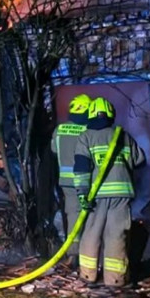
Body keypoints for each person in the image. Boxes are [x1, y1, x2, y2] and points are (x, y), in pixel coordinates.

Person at [72, 96, 145, 287]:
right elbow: (140, 161)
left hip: (95, 196)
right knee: (116, 235)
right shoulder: (123, 135)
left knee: (91, 233)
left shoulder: (86, 137)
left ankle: (88, 275)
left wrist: (82, 193)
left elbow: (81, 168)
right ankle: (115, 279)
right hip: (121, 194)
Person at [51, 94, 91, 263]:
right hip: (85, 181)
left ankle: (73, 254)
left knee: (72, 215)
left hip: (66, 182)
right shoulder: (88, 131)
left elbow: (54, 150)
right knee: (89, 215)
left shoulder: (59, 130)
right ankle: (87, 254)